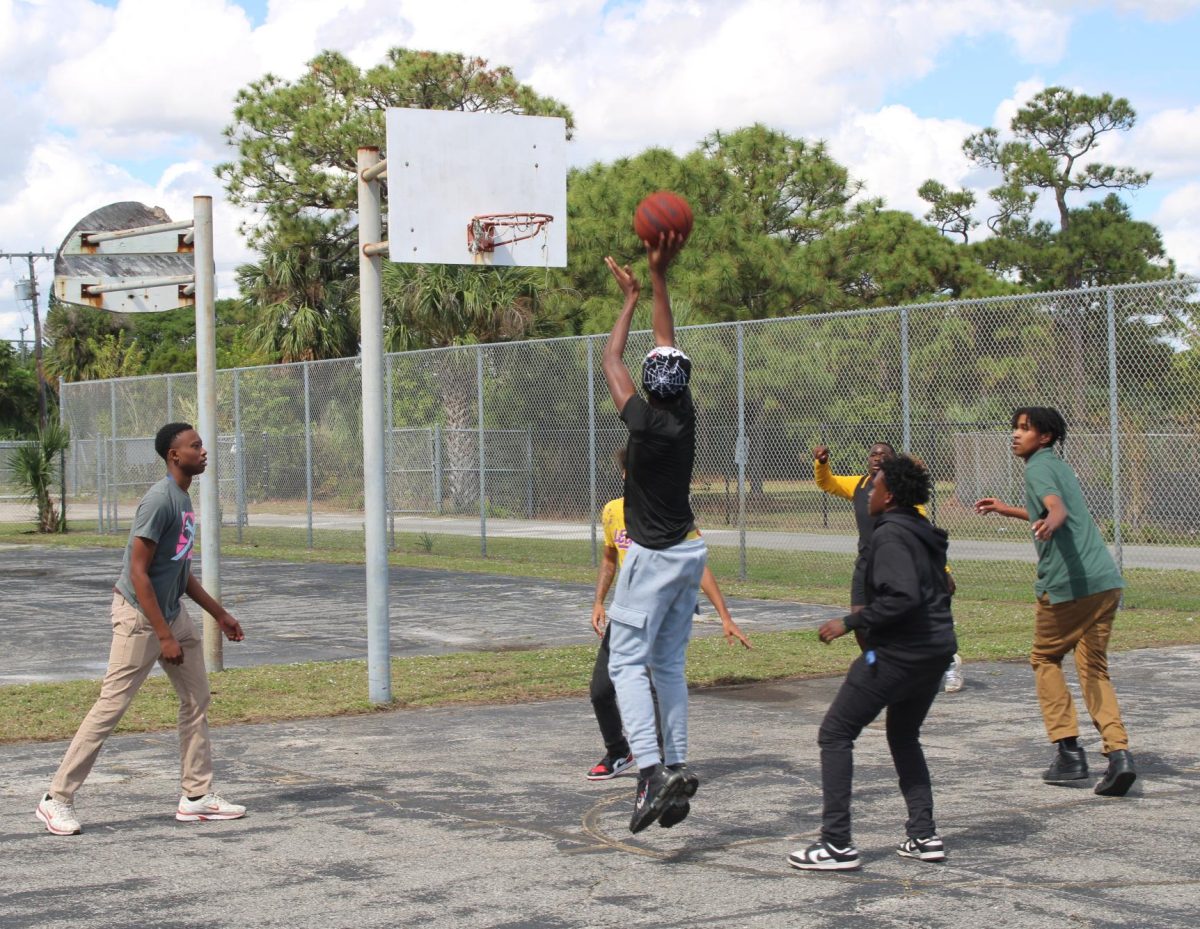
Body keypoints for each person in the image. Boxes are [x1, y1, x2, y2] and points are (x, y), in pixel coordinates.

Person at [35, 423, 247, 836]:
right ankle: (55, 799)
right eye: (195, 446)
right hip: (139, 616)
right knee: (110, 707)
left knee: (197, 698)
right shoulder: (159, 501)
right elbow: (138, 572)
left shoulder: (183, 499)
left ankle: (196, 796)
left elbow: (180, 571)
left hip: (172, 614)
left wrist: (219, 614)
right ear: (174, 455)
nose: (203, 451)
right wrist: (163, 635)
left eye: (201, 445)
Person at [790, 455, 957, 872]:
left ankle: (836, 844)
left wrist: (850, 622)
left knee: (835, 733)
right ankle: (923, 835)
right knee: (903, 736)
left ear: (892, 494)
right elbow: (945, 585)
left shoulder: (890, 535)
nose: (869, 489)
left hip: (901, 653)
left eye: (877, 483)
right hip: (937, 652)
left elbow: (902, 596)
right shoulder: (923, 531)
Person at [601, 232, 707, 833]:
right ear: (684, 382)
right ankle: (677, 761)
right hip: (691, 552)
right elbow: (666, 344)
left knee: (624, 664)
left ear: (646, 385)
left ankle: (649, 770)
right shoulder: (684, 415)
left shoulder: (642, 422)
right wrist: (659, 276)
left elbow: (613, 360)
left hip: (655, 557)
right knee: (667, 662)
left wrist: (630, 298)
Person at [974, 407, 1135, 797]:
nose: (1015, 434)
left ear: (1044, 437)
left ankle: (1068, 752)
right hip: (1105, 582)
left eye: (1025, 429)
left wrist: (1052, 520)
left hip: (1067, 586)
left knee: (1045, 658)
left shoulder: (1036, 468)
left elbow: (1056, 508)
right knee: (1093, 669)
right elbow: (1049, 506)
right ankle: (1119, 756)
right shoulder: (1059, 466)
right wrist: (1007, 510)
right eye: (1014, 427)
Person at [587, 445, 751, 794]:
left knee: (659, 681)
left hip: (663, 608)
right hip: (629, 609)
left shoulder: (669, 510)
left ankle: (663, 764)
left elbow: (698, 564)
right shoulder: (613, 511)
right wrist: (599, 601)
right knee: (601, 687)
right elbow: (609, 559)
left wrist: (725, 615)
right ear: (625, 474)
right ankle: (620, 751)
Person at [813, 442, 964, 693]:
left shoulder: (902, 493)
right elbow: (827, 483)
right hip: (867, 565)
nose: (877, 458)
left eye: (884, 455)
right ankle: (875, 667)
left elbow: (923, 533)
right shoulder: (859, 485)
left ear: (893, 461)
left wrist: (943, 571)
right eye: (873, 454)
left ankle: (949, 662)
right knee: (861, 622)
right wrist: (822, 463)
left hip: (899, 564)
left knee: (915, 618)